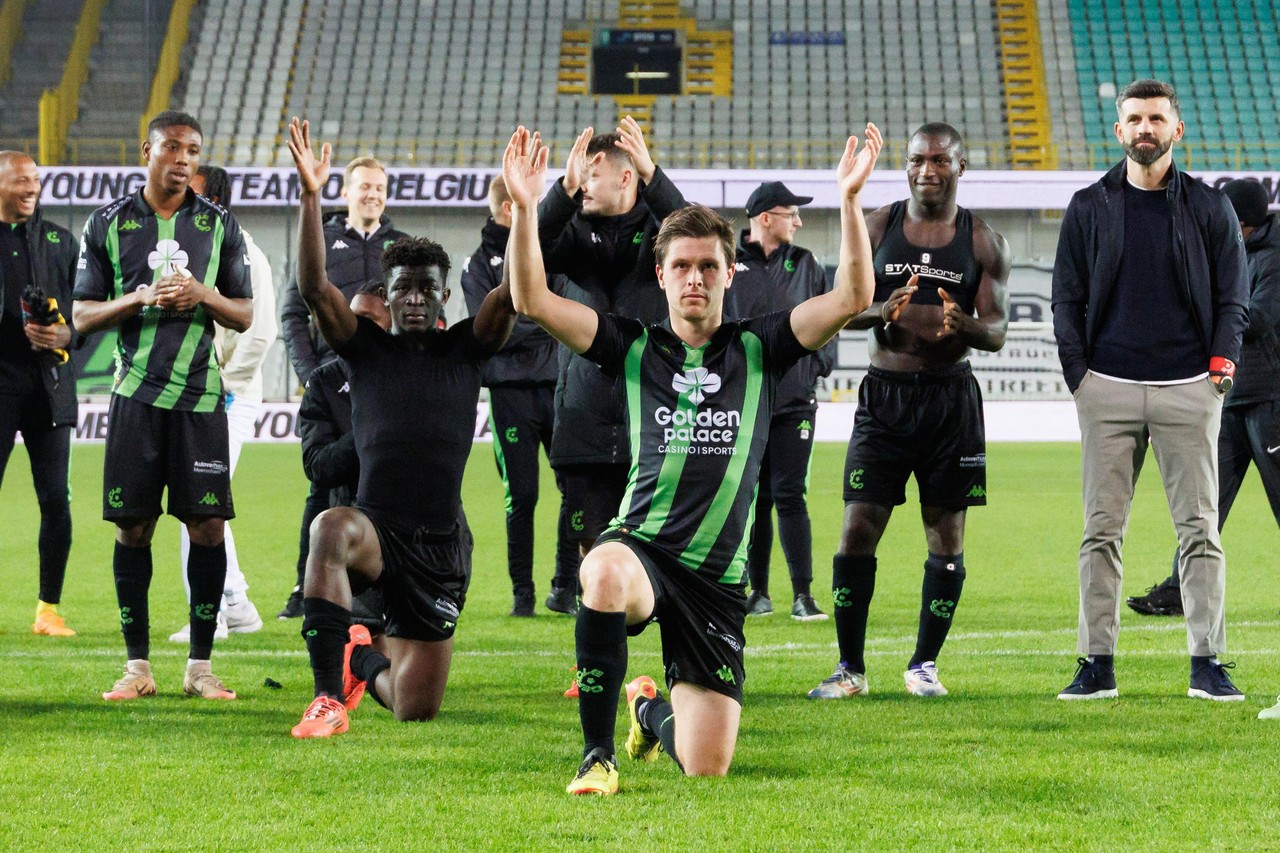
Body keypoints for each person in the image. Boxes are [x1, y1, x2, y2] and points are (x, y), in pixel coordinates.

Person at [502, 123, 881, 794]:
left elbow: (853, 298)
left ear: (731, 273)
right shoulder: (633, 346)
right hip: (645, 549)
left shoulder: (762, 347)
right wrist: (529, 209)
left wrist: (850, 202)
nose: (695, 278)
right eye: (681, 266)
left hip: (717, 580)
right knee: (603, 571)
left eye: (709, 266)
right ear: (661, 274)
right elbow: (532, 299)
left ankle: (647, 709)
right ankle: (597, 757)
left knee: (708, 763)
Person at [284, 117, 515, 738]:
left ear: (445, 297)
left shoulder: (468, 348)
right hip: (375, 529)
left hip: (441, 546)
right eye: (403, 289)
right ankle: (327, 699)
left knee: (415, 706)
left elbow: (516, 293)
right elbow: (313, 287)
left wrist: (523, 209)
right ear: (385, 295)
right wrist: (311, 195)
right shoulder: (364, 350)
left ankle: (358, 658)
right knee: (329, 527)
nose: (414, 299)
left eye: (426, 290)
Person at [1051, 79, 1249, 701]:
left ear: (1176, 129)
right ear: (1118, 131)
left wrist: (1221, 365)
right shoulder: (1088, 206)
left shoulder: (1209, 207)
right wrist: (1079, 376)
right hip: (1105, 389)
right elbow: (1066, 299)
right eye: (1134, 118)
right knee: (1100, 531)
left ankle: (1206, 663)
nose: (1145, 128)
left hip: (1189, 389)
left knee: (1200, 530)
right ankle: (1096, 665)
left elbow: (1232, 298)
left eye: (1156, 119)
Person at [807, 123, 1011, 700]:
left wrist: (966, 324)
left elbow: (996, 330)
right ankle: (849, 668)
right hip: (884, 399)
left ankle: (923, 665)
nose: (928, 170)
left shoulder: (984, 242)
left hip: (951, 402)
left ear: (960, 167)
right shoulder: (876, 227)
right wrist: (878, 312)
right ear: (906, 165)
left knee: (945, 536)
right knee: (856, 531)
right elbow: (837, 308)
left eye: (940, 161)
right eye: (918, 160)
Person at [73, 111, 253, 701]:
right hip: (134, 397)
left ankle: (200, 666)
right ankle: (138, 668)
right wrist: (139, 297)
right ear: (145, 148)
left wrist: (203, 294)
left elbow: (245, 313)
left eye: (193, 151)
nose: (183, 159)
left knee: (207, 526)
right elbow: (81, 317)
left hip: (201, 398)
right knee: (134, 527)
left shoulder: (221, 225)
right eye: (172, 148)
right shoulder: (107, 224)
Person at [1126, 178, 1280, 618]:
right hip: (1231, 398)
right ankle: (1178, 590)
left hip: (1271, 399)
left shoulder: (1273, 259)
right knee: (1204, 503)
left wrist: (1208, 307)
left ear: (1242, 222)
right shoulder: (1237, 256)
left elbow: (1262, 319)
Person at [537, 119, 688, 560]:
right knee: (595, 549)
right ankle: (600, 624)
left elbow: (697, 233)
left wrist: (653, 176)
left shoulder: (663, 232)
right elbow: (526, 247)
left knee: (660, 546)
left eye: (591, 175)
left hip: (655, 411)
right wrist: (562, 191)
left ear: (627, 177)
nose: (583, 185)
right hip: (584, 414)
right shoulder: (572, 231)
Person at [277, 153, 409, 620]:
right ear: (345, 192)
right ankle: (305, 585)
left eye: (379, 187)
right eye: (363, 187)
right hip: (334, 381)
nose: (372, 194)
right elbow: (294, 313)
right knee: (321, 489)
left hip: (388, 383)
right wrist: (310, 373)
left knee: (391, 482)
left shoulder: (403, 246)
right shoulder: (322, 240)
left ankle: (391, 582)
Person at [460, 174, 580, 616]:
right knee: (522, 496)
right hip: (509, 393)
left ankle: (565, 586)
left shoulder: (549, 249)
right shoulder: (477, 265)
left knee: (574, 487)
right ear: (510, 208)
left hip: (557, 387)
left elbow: (563, 311)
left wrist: (526, 314)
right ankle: (522, 595)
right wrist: (539, 317)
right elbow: (488, 329)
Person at [168, 165, 275, 642]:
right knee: (199, 499)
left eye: (188, 192)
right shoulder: (194, 248)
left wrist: (224, 385)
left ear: (213, 200)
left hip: (226, 397)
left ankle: (208, 615)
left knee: (198, 501)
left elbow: (259, 333)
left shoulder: (244, 250)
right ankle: (235, 602)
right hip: (197, 394)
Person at [728, 181, 836, 621]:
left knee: (791, 494)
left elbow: (829, 315)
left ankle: (803, 594)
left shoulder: (806, 263)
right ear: (765, 218)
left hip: (794, 402)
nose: (799, 220)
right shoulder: (730, 263)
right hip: (745, 400)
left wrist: (816, 367)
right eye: (792, 213)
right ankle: (756, 592)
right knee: (752, 497)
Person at [0, 150, 80, 638]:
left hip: (49, 387)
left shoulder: (60, 241)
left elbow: (88, 312)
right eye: (20, 181)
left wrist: (67, 336)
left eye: (35, 180)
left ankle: (48, 609)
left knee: (56, 500)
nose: (31, 188)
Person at [297, 279, 390, 634]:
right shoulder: (324, 382)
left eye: (370, 321)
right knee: (358, 636)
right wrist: (370, 430)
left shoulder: (417, 371)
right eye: (354, 319)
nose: (356, 329)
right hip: (355, 524)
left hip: (421, 529)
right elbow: (318, 467)